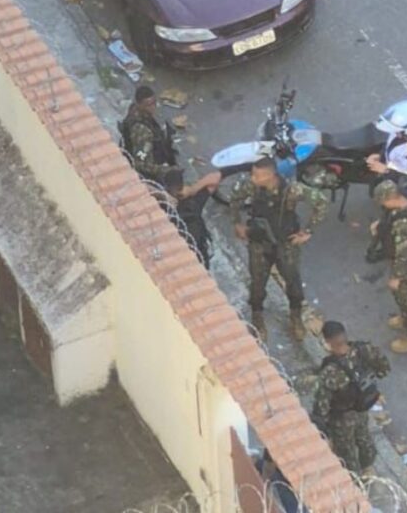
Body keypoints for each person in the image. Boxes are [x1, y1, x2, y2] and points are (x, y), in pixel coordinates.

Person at [227, 157, 328, 341]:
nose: (253, 178)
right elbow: (234, 199)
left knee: (293, 282)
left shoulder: (292, 190)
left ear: (271, 176)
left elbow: (321, 202)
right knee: (257, 283)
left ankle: (295, 316)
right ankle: (257, 316)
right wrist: (237, 223)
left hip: (286, 243)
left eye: (258, 175)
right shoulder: (251, 186)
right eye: (253, 174)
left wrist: (307, 232)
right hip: (259, 242)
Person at [311, 321, 391, 476]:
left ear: (328, 343)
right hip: (363, 406)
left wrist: (324, 430)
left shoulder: (330, 371)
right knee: (363, 436)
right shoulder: (364, 350)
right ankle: (368, 468)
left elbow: (321, 407)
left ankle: (353, 475)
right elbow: (384, 367)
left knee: (345, 447)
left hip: (341, 416)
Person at [370, 180, 407, 354]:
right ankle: (405, 317)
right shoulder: (405, 202)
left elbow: (405, 252)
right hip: (401, 260)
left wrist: (397, 276)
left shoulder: (404, 223)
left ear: (390, 198)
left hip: (406, 267)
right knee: (404, 299)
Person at [161, 168, 221, 270]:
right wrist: (194, 189)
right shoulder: (192, 202)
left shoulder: (162, 206)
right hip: (196, 254)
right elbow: (215, 177)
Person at [119, 85, 179, 184]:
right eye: (148, 105)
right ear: (139, 104)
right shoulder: (142, 132)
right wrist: (167, 170)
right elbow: (141, 164)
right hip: (150, 172)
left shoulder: (136, 112)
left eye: (154, 103)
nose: (153, 107)